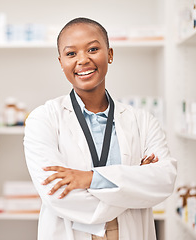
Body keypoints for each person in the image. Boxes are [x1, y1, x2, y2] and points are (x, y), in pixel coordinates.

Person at [23, 17, 177, 240]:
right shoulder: (42, 119)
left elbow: (164, 181)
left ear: (110, 54)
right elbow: (56, 194)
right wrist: (134, 185)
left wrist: (89, 179)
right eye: (71, 53)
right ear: (60, 62)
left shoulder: (142, 120)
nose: (83, 60)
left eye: (93, 49)